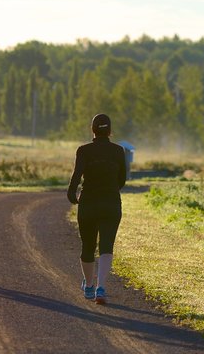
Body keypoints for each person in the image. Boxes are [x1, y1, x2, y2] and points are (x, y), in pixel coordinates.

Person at [67, 113, 126, 304]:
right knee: (107, 246)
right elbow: (122, 180)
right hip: (110, 202)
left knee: (88, 246)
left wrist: (72, 194)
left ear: (92, 130)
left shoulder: (83, 150)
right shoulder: (118, 151)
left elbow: (76, 176)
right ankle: (101, 287)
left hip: (89, 203)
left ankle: (89, 286)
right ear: (110, 131)